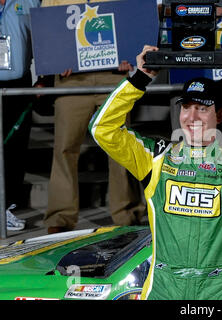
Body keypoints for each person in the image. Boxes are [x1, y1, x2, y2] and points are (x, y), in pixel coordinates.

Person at [89, 44, 222, 300]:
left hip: (218, 293)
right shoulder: (156, 158)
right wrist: (139, 79)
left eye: (202, 108)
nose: (192, 116)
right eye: (186, 107)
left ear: (219, 115)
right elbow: (102, 128)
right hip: (162, 290)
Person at [40, 0, 145, 234]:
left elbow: (132, 24)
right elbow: (47, 31)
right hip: (71, 79)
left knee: (121, 145)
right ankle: (60, 218)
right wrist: (56, 59)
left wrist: (129, 53)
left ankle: (127, 215)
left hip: (112, 75)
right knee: (65, 147)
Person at [0, 0, 40, 231]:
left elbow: (44, 34)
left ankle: (6, 208)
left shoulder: (29, 1)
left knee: (15, 147)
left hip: (18, 84)